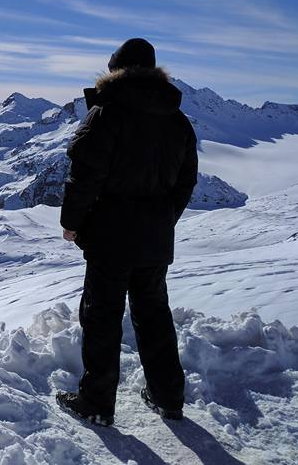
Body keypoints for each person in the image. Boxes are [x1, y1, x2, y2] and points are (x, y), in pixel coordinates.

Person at [55, 38, 197, 427]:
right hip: (154, 238)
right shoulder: (177, 121)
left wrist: (72, 222)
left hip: (109, 238)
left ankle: (97, 403)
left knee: (101, 316)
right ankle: (169, 397)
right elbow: (186, 182)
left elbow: (85, 175)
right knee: (154, 315)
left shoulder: (106, 114)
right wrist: (163, 219)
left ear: (117, 70)